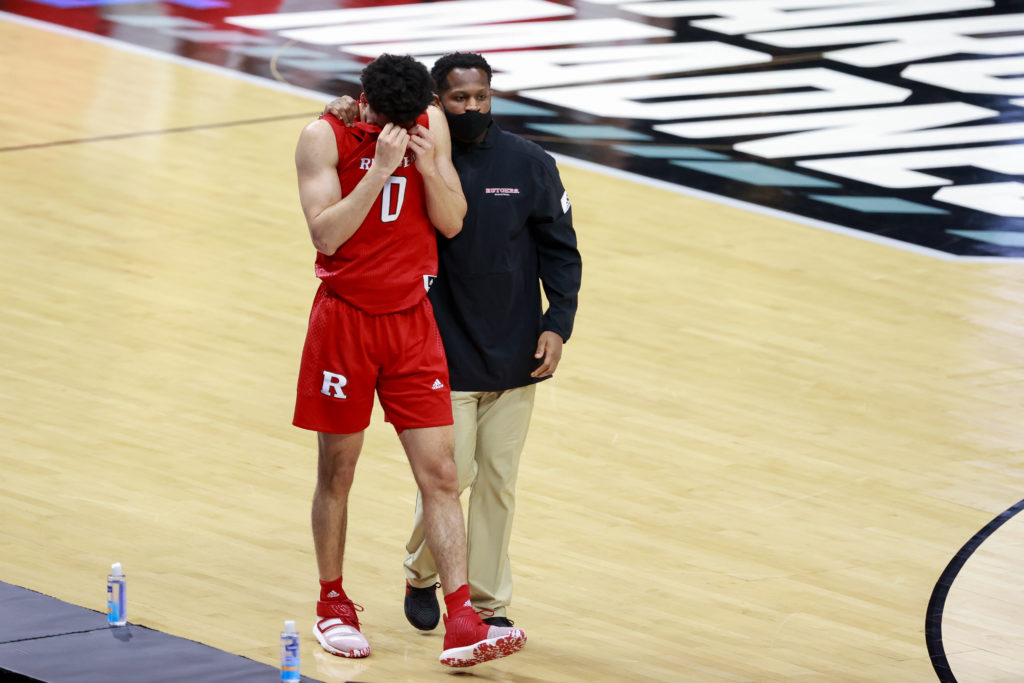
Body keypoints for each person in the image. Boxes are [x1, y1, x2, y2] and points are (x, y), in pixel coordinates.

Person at [324, 51, 582, 632]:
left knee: (497, 484)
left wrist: (556, 322)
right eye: (459, 99)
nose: (472, 108)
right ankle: (423, 572)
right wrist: (340, 109)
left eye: (481, 98)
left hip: (517, 353)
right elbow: (360, 126)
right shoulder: (409, 154)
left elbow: (561, 249)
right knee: (449, 478)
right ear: (434, 102)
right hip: (440, 348)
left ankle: (489, 607)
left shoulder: (530, 163)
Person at [293, 53, 527, 668]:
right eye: (385, 117)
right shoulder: (324, 133)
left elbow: (451, 223)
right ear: (361, 98)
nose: (400, 124)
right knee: (338, 471)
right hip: (345, 321)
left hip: (411, 324)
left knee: (444, 474)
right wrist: (379, 173)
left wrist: (425, 165)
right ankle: (332, 604)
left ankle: (463, 620)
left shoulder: (426, 123)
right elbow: (326, 235)